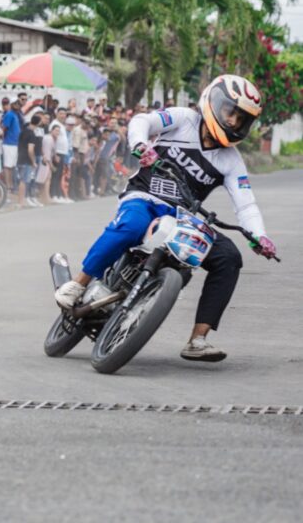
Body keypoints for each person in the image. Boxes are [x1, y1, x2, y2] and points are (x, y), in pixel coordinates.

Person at [54, 75, 277, 362]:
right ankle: (78, 283)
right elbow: (142, 122)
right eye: (229, 112)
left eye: (241, 119)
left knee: (230, 257)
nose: (233, 122)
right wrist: (140, 144)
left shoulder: (231, 160)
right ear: (213, 101)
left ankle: (198, 339)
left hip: (181, 215)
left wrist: (259, 236)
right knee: (131, 226)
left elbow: (246, 205)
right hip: (144, 198)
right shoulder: (184, 119)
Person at [2, 92, 25, 191]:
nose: (17, 105)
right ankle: (8, 187)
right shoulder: (9, 114)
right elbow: (4, 129)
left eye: (18, 103)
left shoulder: (15, 114)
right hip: (9, 144)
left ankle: (11, 186)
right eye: (15, 103)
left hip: (14, 144)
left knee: (11, 166)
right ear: (11, 104)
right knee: (8, 166)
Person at [17, 114, 41, 208]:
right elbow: (30, 149)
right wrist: (33, 161)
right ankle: (21, 202)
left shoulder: (23, 131)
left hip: (20, 158)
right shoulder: (32, 134)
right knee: (24, 181)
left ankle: (21, 201)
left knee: (22, 181)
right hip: (26, 160)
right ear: (38, 123)